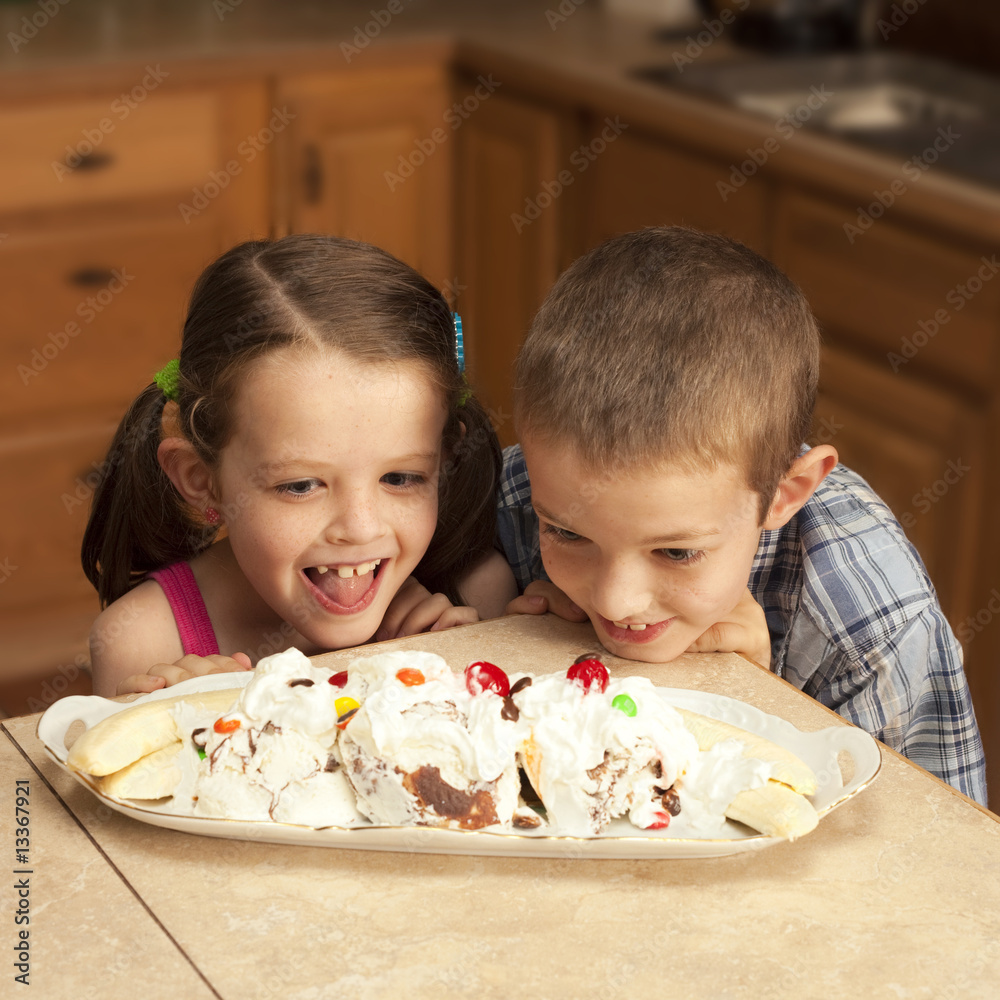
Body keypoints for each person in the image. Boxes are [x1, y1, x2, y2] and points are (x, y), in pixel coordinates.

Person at [501, 226, 987, 805]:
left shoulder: (873, 627)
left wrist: (764, 706)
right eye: (567, 534)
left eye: (676, 552)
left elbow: (923, 862)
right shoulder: (519, 491)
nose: (615, 601)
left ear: (785, 494)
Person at [83, 234, 516, 698]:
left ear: (444, 463)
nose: (360, 528)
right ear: (201, 480)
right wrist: (195, 726)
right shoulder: (143, 643)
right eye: (301, 485)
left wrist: (446, 690)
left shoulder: (477, 599)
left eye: (401, 477)